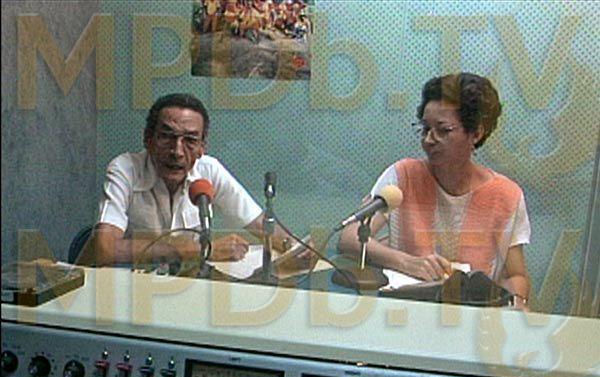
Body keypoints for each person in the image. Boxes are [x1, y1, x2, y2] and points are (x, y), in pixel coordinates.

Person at [338, 73, 531, 309]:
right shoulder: (403, 175)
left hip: (474, 315)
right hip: (406, 310)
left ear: (476, 133)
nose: (429, 139)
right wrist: (408, 263)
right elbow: (349, 239)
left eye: (443, 130)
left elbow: (515, 274)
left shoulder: (506, 195)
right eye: (425, 129)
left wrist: (517, 303)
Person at [81, 93, 294, 268]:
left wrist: (293, 248)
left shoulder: (209, 171)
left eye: (190, 140)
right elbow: (104, 248)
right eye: (167, 137)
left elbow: (261, 225)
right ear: (148, 139)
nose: (177, 152)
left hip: (186, 284)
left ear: (202, 147)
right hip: (130, 284)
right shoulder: (125, 169)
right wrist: (202, 249)